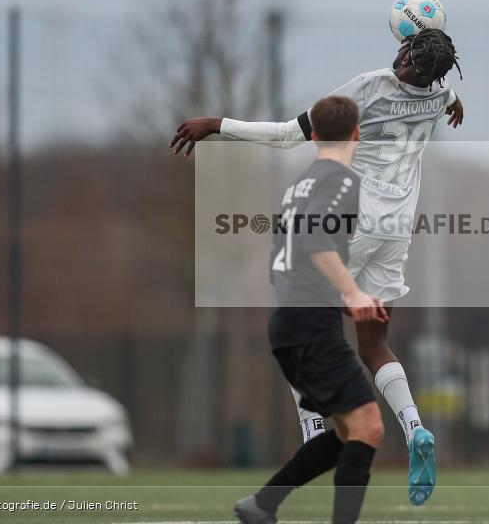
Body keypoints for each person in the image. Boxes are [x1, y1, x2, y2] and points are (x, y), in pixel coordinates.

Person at [172, 28, 463, 505]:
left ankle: (312, 432)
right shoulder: (438, 92)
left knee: (297, 319)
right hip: (395, 231)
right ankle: (414, 428)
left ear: (409, 52)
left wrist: (217, 125)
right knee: (374, 344)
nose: (401, 59)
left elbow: (289, 135)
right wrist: (455, 101)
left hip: (353, 220)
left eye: (408, 54)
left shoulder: (372, 85)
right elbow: (446, 91)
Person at [233, 96, 387, 524]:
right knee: (369, 427)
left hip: (290, 320)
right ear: (357, 134)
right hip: (310, 325)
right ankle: (265, 505)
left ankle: (262, 505)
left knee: (348, 433)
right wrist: (352, 293)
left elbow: (284, 261)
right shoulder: (342, 180)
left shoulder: (298, 185)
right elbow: (316, 240)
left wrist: (345, 299)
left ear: (314, 136)